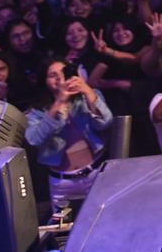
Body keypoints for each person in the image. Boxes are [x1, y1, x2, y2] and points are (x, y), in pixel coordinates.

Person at [24, 56, 114, 218]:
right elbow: (34, 139)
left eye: (63, 72)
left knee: (105, 221)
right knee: (64, 232)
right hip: (62, 183)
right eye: (52, 75)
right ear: (44, 80)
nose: (60, 78)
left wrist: (87, 90)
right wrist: (58, 102)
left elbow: (105, 122)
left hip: (95, 173)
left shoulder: (88, 96)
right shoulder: (37, 111)